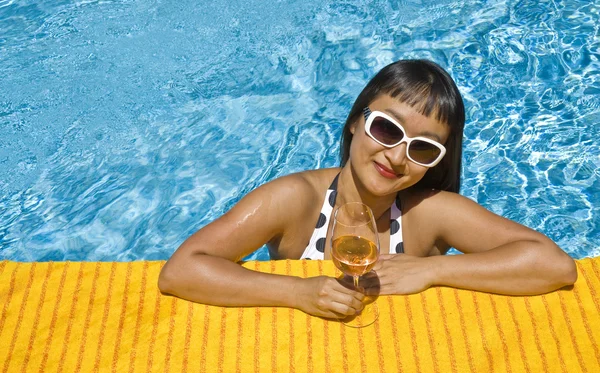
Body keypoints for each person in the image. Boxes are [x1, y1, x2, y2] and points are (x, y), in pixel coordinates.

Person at [158, 59, 577, 319]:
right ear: (357, 120)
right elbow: (182, 271)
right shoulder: (294, 201)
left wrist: (433, 270)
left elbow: (554, 265)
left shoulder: (427, 213)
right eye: (386, 129)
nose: (396, 157)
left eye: (423, 148)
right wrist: (296, 291)